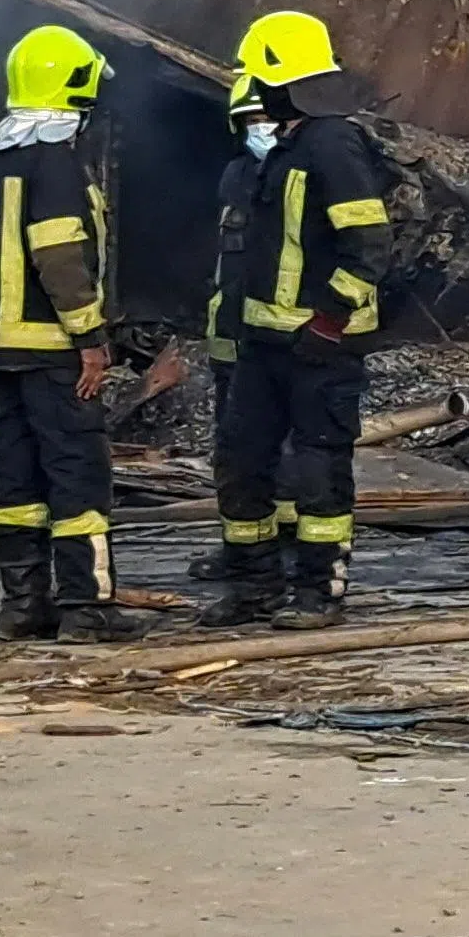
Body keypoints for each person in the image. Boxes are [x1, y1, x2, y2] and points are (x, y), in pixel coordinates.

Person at [212, 9, 391, 626]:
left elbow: (368, 241)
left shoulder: (333, 142)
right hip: (263, 343)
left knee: (317, 469)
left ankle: (318, 593)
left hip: (319, 346)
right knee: (242, 459)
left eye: (255, 76)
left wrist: (331, 319)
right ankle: (251, 587)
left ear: (279, 76)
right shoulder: (280, 150)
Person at [0, 24, 123, 640]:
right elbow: (59, 260)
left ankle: (22, 606)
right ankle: (87, 609)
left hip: (0, 351)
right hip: (55, 350)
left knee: (17, 479)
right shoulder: (53, 163)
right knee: (78, 474)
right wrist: (90, 338)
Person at [180, 72, 274, 610]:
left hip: (271, 343)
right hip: (230, 339)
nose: (260, 129)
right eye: (251, 121)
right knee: (233, 456)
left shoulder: (298, 177)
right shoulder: (236, 176)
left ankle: (275, 562)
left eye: (268, 119)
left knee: (275, 458)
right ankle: (240, 553)